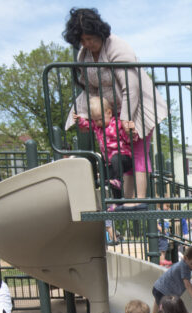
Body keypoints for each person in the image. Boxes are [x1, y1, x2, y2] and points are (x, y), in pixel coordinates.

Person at [62, 7, 167, 203]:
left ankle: (141, 199)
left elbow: (131, 86)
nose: (87, 44)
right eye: (83, 40)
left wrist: (127, 119)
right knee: (120, 156)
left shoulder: (117, 47)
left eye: (90, 38)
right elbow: (90, 89)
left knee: (137, 152)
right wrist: (88, 116)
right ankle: (126, 201)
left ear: (99, 32)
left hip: (136, 107)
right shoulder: (84, 55)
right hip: (112, 113)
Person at [72, 95, 136, 199]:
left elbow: (127, 138)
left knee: (116, 160)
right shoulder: (98, 127)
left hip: (125, 157)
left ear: (109, 113)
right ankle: (118, 202)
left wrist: (132, 133)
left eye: (101, 119)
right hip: (110, 162)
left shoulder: (117, 124)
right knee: (111, 180)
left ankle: (118, 180)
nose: (98, 122)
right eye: (95, 120)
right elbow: (87, 125)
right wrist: (79, 120)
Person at [151, 244, 192, 313]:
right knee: (169, 309)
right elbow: (187, 284)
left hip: (157, 288)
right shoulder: (185, 268)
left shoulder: (183, 264)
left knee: (158, 301)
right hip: (164, 292)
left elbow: (188, 282)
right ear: (185, 258)